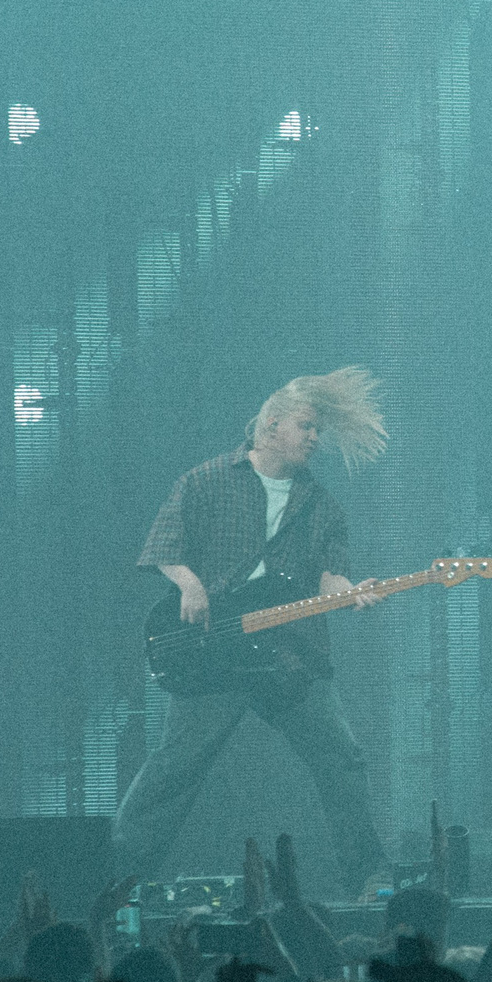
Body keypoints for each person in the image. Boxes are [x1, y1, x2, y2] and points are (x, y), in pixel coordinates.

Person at [112, 368, 393, 897]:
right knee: (176, 765)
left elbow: (330, 576)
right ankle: (118, 875)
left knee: (342, 759)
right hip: (217, 651)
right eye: (307, 426)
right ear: (270, 425)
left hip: (290, 653)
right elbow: (163, 547)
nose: (315, 438)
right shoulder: (206, 479)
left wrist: (351, 591)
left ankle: (369, 877)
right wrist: (190, 585)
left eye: (319, 431)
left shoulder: (321, 505)